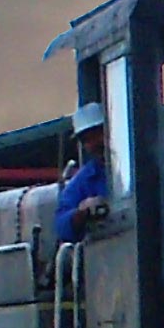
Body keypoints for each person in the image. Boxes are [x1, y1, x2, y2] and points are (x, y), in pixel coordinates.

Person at [51, 100, 113, 245]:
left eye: (97, 134)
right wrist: (82, 212)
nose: (93, 143)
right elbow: (62, 226)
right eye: (86, 140)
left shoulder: (142, 165)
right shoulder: (85, 179)